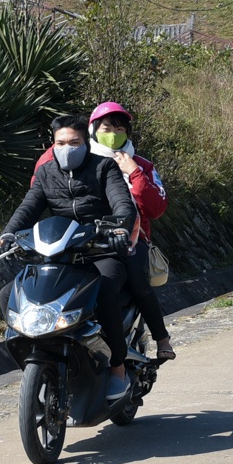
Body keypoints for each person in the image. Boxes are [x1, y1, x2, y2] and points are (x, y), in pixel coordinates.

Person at [0, 114, 138, 400]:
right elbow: (29, 207)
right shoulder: (47, 173)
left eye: (74, 142)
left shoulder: (104, 167)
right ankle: (37, 361)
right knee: (6, 294)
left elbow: (122, 202)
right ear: (53, 144)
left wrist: (119, 227)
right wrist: (9, 234)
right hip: (60, 253)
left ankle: (117, 367)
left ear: (85, 142)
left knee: (106, 290)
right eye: (61, 142)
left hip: (101, 248)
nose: (67, 147)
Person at [40, 103, 177, 363]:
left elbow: (156, 208)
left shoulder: (142, 164)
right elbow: (42, 188)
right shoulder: (74, 154)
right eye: (106, 128)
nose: (112, 134)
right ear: (92, 130)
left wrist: (134, 173)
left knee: (137, 282)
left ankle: (161, 338)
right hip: (74, 240)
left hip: (130, 240)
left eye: (119, 128)